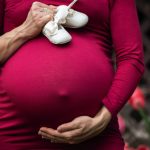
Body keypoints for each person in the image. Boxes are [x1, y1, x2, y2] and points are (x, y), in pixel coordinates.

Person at [0, 0, 145, 150]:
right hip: (15, 130)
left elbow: (131, 57)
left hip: (96, 134)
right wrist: (24, 30)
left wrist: (102, 119)